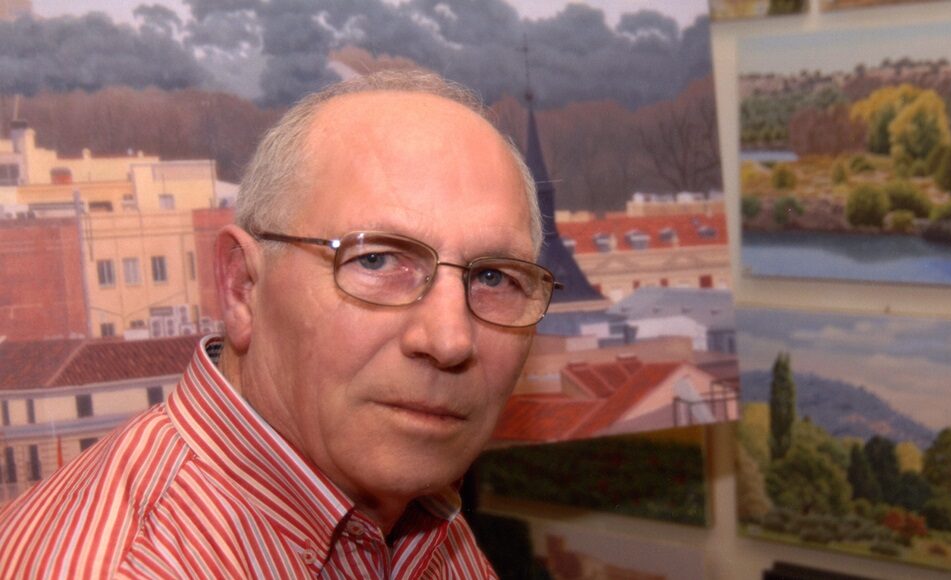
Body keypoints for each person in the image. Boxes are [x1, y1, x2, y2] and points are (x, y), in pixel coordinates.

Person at [0, 70, 558, 578]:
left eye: (493, 277)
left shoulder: (415, 520)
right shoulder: (137, 565)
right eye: (375, 260)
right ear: (242, 286)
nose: (450, 340)